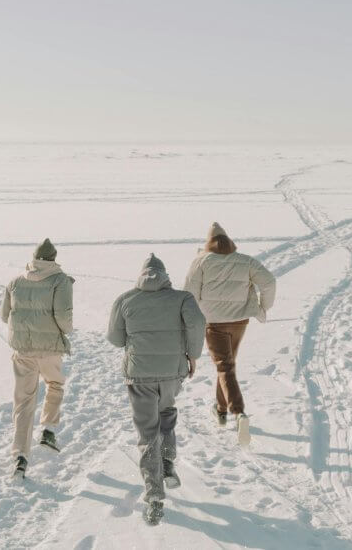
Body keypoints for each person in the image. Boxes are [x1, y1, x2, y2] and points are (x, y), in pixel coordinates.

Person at [107, 253, 206, 526]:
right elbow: (197, 323)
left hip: (139, 375)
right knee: (166, 412)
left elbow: (115, 339)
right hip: (173, 372)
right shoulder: (182, 298)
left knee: (147, 432)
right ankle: (168, 462)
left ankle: (154, 496)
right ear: (165, 277)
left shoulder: (125, 300)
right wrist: (192, 355)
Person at [184, 222, 276, 445]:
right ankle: (220, 409)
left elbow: (189, 294)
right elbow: (269, 282)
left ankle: (238, 412)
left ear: (208, 244)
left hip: (213, 322)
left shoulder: (201, 262)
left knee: (224, 365)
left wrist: (190, 320)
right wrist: (264, 307)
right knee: (227, 364)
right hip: (239, 320)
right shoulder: (245, 261)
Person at [1, 238, 74, 479]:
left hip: (23, 351)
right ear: (53, 259)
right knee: (55, 384)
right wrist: (66, 331)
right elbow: (63, 317)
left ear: (34, 259)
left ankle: (20, 456)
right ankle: (48, 429)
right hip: (50, 348)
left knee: (23, 401)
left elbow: (4, 315)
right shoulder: (60, 280)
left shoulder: (15, 281)